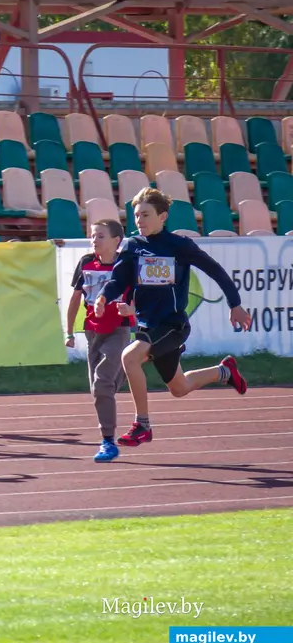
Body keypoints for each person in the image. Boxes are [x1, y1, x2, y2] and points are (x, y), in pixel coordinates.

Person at [95, 187, 252, 447]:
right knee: (179, 387)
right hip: (146, 325)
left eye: (145, 215)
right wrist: (103, 296)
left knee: (129, 357)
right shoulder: (133, 246)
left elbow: (216, 271)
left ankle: (141, 425)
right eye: (135, 216)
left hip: (173, 324)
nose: (139, 221)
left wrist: (235, 304)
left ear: (163, 216)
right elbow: (118, 279)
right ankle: (224, 371)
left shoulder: (179, 246)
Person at [64, 219, 134, 463]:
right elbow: (74, 299)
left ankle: (108, 441)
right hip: (92, 331)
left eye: (100, 236)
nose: (94, 240)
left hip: (119, 329)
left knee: (103, 383)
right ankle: (125, 371)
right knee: (98, 388)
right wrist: (69, 332)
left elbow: (140, 296)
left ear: (117, 241)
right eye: (93, 236)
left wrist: (131, 309)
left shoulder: (126, 265)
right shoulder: (85, 263)